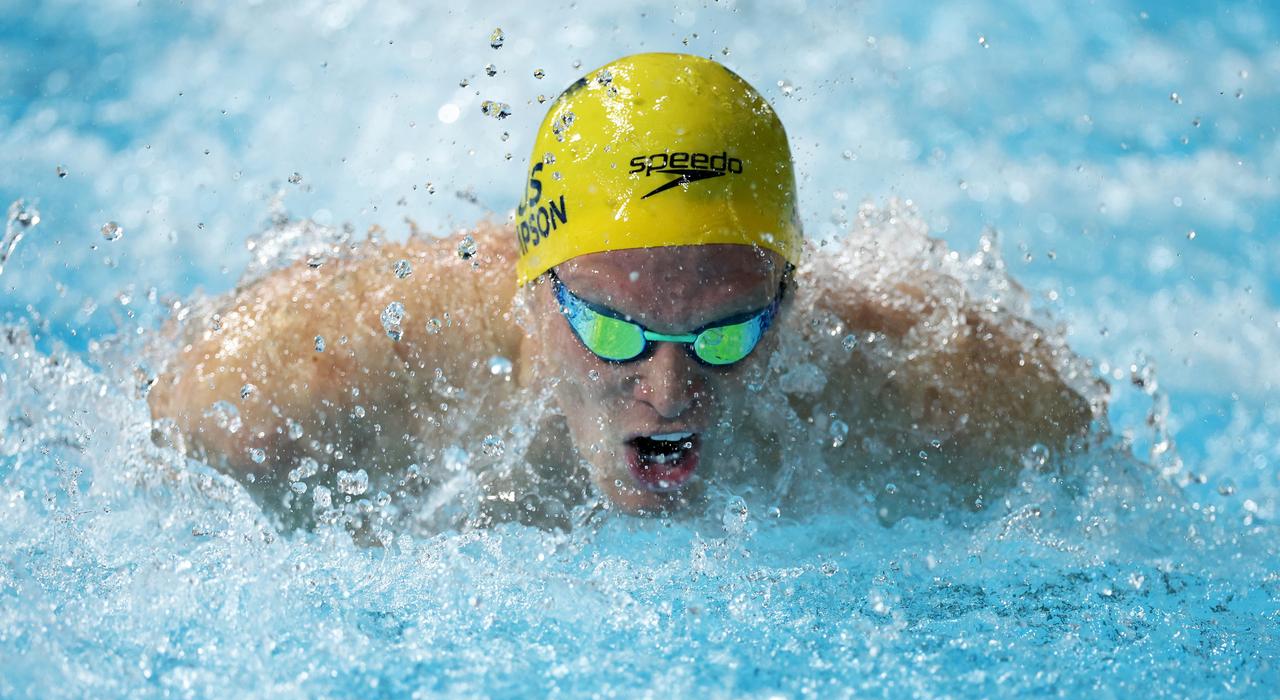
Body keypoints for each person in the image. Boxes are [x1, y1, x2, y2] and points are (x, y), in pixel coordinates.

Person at [148, 53, 1098, 530]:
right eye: (613, 330)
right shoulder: (310, 376)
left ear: (793, 299)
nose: (671, 392)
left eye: (728, 334)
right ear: (531, 290)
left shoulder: (950, 397)